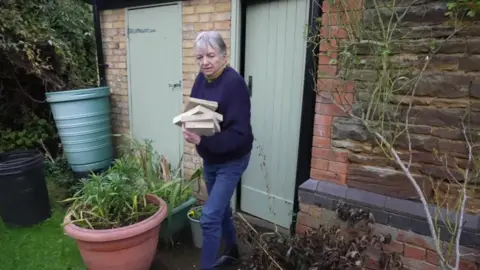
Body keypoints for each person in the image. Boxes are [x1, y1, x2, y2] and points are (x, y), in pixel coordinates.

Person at [182, 30, 254, 270]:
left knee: (210, 216)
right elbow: (195, 111)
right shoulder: (201, 80)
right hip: (211, 157)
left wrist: (202, 142)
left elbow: (240, 136)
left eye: (211, 55)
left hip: (233, 159)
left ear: (224, 56)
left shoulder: (235, 85)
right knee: (220, 210)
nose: (205, 63)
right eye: (200, 57)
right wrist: (188, 125)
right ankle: (232, 251)